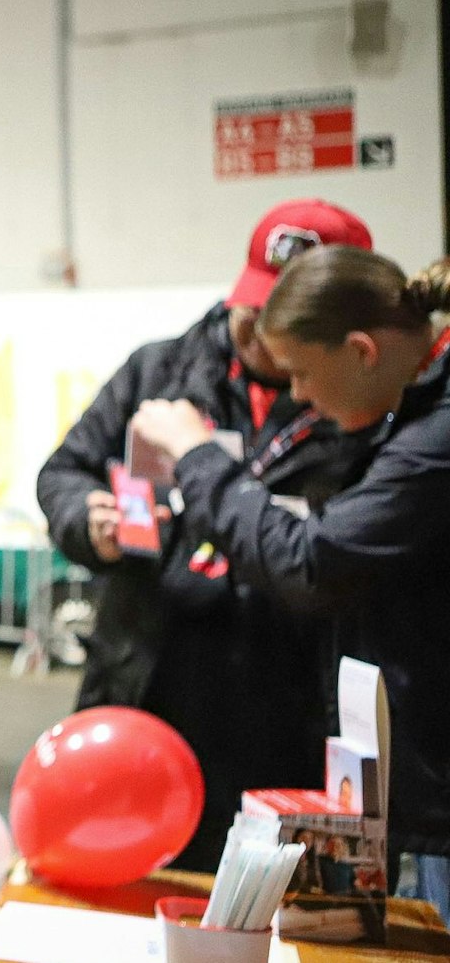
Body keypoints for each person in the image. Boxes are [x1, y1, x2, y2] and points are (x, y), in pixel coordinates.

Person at [39, 199, 374, 871]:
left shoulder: (362, 407)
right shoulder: (157, 371)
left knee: (269, 898)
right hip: (145, 675)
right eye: (253, 305)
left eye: (286, 320)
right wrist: (90, 521)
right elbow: (64, 471)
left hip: (290, 697)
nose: (256, 332)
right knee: (123, 871)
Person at [132, 245, 450, 919]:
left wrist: (195, 457)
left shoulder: (433, 438)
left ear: (362, 350)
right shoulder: (414, 412)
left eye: (303, 372)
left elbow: (311, 564)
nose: (298, 394)